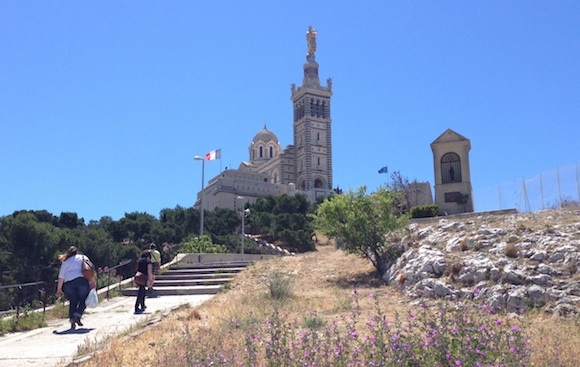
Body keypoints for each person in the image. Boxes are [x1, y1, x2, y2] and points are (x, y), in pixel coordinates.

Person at [56, 246, 96, 330]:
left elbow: (61, 277)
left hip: (69, 283)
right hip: (82, 281)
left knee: (73, 301)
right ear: (76, 252)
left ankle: (72, 322)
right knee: (84, 299)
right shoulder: (83, 257)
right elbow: (89, 269)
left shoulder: (65, 261)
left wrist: (59, 289)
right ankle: (77, 315)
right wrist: (92, 281)